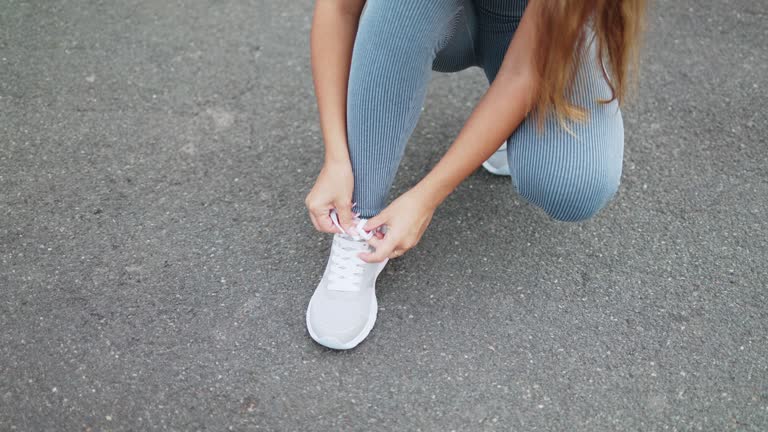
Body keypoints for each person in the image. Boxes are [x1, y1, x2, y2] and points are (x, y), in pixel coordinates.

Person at [304, 0, 646, 349]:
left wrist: (427, 197)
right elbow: (339, 8)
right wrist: (336, 158)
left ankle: (506, 132)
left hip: (540, 27)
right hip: (434, 13)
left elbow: (523, 72)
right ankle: (359, 217)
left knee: (574, 181)